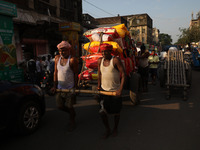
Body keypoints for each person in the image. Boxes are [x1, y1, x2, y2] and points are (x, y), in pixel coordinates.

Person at [97, 43, 125, 139]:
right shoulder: (100, 61)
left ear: (110, 51)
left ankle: (115, 128)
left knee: (116, 112)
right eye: (102, 52)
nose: (104, 53)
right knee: (102, 112)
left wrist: (120, 90)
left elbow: (123, 75)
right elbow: (99, 74)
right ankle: (107, 129)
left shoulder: (115, 60)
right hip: (104, 92)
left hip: (115, 92)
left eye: (106, 51)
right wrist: (98, 87)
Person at [51, 41, 78, 131]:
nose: (62, 53)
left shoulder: (72, 60)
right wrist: (54, 86)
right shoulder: (57, 58)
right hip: (60, 88)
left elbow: (75, 74)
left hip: (70, 88)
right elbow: (56, 72)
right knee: (60, 106)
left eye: (64, 51)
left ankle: (72, 120)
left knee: (70, 106)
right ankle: (72, 114)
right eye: (60, 51)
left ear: (69, 50)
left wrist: (76, 87)